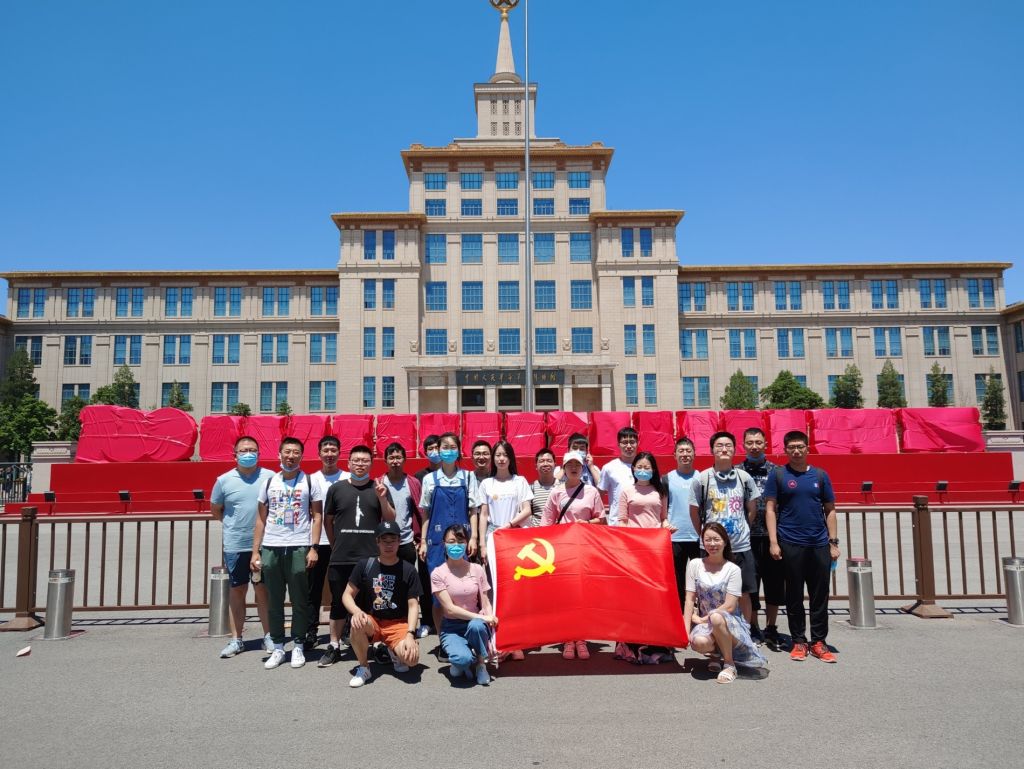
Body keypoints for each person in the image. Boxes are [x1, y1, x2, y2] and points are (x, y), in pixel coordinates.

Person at [765, 430, 840, 663]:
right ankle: (798, 640)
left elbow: (830, 510)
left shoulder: (820, 475)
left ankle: (818, 641)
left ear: (807, 448)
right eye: (792, 447)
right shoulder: (778, 475)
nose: (796, 451)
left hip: (819, 544)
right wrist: (774, 542)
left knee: (820, 596)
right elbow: (770, 509)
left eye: (800, 447)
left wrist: (833, 542)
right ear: (785, 450)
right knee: (794, 595)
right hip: (790, 543)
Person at [318, 444, 395, 668]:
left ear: (371, 464)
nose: (360, 464)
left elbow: (390, 519)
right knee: (338, 603)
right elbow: (328, 521)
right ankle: (334, 645)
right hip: (342, 557)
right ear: (349, 463)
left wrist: (382, 498)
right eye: (356, 461)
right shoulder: (336, 489)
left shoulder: (379, 488)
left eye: (365, 461)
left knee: (375, 602)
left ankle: (377, 644)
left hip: (371, 558)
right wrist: (336, 545)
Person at [252, 436, 323, 670]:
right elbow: (261, 519)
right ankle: (279, 646)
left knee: (300, 599)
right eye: (287, 452)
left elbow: (317, 516)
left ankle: (299, 645)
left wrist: (313, 547)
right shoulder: (269, 482)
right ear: (279, 454)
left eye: (296, 453)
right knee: (274, 600)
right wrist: (255, 552)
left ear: (301, 456)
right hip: (271, 546)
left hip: (299, 546)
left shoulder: (310, 482)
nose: (291, 456)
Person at [211, 435, 274, 658]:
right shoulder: (223, 480)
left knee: (262, 590)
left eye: (252, 450)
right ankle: (236, 639)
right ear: (235, 455)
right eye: (243, 450)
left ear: (259, 453)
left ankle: (269, 636)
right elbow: (216, 509)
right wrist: (234, 526)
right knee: (237, 590)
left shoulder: (270, 477)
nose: (248, 454)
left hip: (265, 544)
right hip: (236, 544)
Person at [689, 431, 760, 624]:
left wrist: (742, 529)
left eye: (728, 445)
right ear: (712, 450)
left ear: (735, 449)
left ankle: (745, 630)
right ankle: (709, 629)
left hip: (740, 546)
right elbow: (694, 511)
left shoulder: (744, 478)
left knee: (744, 592)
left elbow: (751, 509)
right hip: (711, 547)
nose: (724, 449)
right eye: (719, 445)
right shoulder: (702, 479)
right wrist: (704, 536)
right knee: (709, 590)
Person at [541, 450, 606, 660]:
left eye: (577, 464)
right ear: (564, 468)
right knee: (566, 596)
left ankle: (582, 638)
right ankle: (568, 638)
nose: (574, 468)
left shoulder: (591, 492)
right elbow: (546, 523)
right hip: (563, 551)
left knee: (583, 595)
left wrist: (586, 523)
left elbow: (601, 520)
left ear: (582, 467)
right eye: (570, 464)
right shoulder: (556, 492)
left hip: (586, 550)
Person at [684, 522, 768, 683]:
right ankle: (715, 654)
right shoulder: (695, 564)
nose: (712, 544)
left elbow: (730, 606)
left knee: (716, 617)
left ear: (725, 542)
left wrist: (702, 619)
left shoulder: (733, 569)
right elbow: (689, 599)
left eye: (716, 539)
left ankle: (729, 664)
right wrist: (685, 631)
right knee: (699, 643)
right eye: (708, 540)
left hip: (729, 622)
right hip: (706, 624)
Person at [342, 521, 422, 688]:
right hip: (374, 621)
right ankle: (364, 667)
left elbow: (413, 605)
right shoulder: (365, 565)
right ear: (377, 542)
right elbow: (347, 595)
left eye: (392, 540)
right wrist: (356, 611)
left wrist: (410, 634)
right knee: (357, 623)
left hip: (397, 623)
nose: (388, 545)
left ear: (399, 541)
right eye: (384, 541)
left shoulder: (408, 569)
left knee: (412, 660)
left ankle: (394, 651)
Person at [418, 432, 482, 637]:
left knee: (465, 590)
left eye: (452, 447)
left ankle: (464, 635)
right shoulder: (429, 479)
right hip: (437, 542)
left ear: (459, 450)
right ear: (438, 450)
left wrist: (473, 538)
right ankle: (443, 639)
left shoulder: (468, 477)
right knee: (438, 595)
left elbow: (473, 510)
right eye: (444, 447)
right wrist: (423, 541)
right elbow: (425, 513)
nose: (448, 451)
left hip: (461, 541)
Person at [431, 524, 497, 686]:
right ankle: (463, 659)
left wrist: (490, 620)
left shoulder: (477, 569)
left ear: (467, 543)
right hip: (452, 627)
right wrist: (482, 617)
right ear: (444, 544)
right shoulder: (438, 573)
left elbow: (485, 601)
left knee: (477, 626)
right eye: (451, 541)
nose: (456, 545)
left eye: (460, 541)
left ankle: (481, 664)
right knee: (462, 660)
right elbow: (449, 609)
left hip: (475, 624)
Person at [305, 436, 349, 650]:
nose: (329, 454)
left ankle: (347, 630)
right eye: (326, 450)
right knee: (312, 590)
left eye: (333, 450)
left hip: (343, 543)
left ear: (340, 453)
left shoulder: (348, 477)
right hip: (317, 543)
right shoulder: (310, 480)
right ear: (319, 453)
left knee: (343, 589)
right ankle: (310, 631)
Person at [379, 442, 426, 637]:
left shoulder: (412, 483)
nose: (395, 461)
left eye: (398, 457)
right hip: (386, 542)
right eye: (391, 458)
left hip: (406, 541)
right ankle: (388, 622)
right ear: (385, 461)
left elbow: (421, 512)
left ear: (404, 460)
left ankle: (408, 622)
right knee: (386, 583)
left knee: (406, 583)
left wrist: (420, 538)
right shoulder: (379, 482)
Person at [741, 426, 782, 648]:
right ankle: (753, 626)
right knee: (751, 585)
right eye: (750, 443)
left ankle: (772, 627)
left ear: (766, 444)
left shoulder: (777, 471)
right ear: (744, 445)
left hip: (772, 537)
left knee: (774, 583)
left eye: (758, 442)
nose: (754, 447)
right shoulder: (738, 471)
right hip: (747, 537)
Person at [663, 437, 701, 615]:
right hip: (675, 536)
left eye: (688, 451)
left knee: (701, 579)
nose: (685, 454)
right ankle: (680, 615)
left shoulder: (702, 477)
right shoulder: (666, 479)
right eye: (681, 451)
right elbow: (663, 508)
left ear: (694, 454)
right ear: (675, 455)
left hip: (698, 536)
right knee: (677, 579)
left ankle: (702, 615)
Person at [413, 434, 441, 636]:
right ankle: (428, 621)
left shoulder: (454, 474)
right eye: (430, 448)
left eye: (437, 447)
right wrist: (419, 538)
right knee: (425, 578)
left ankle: (450, 619)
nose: (434, 451)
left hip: (447, 535)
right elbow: (418, 509)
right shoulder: (419, 476)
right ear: (425, 452)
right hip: (426, 536)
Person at [598, 426, 640, 525]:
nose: (629, 446)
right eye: (625, 442)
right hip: (617, 524)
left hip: (640, 523)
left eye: (632, 442)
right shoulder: (609, 468)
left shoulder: (645, 466)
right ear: (618, 444)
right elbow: (599, 497)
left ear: (637, 443)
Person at [528, 448, 557, 527]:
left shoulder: (563, 487)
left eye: (549, 461)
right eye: (541, 461)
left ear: (555, 464)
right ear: (536, 466)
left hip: (558, 532)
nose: (545, 464)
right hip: (536, 532)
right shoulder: (530, 488)